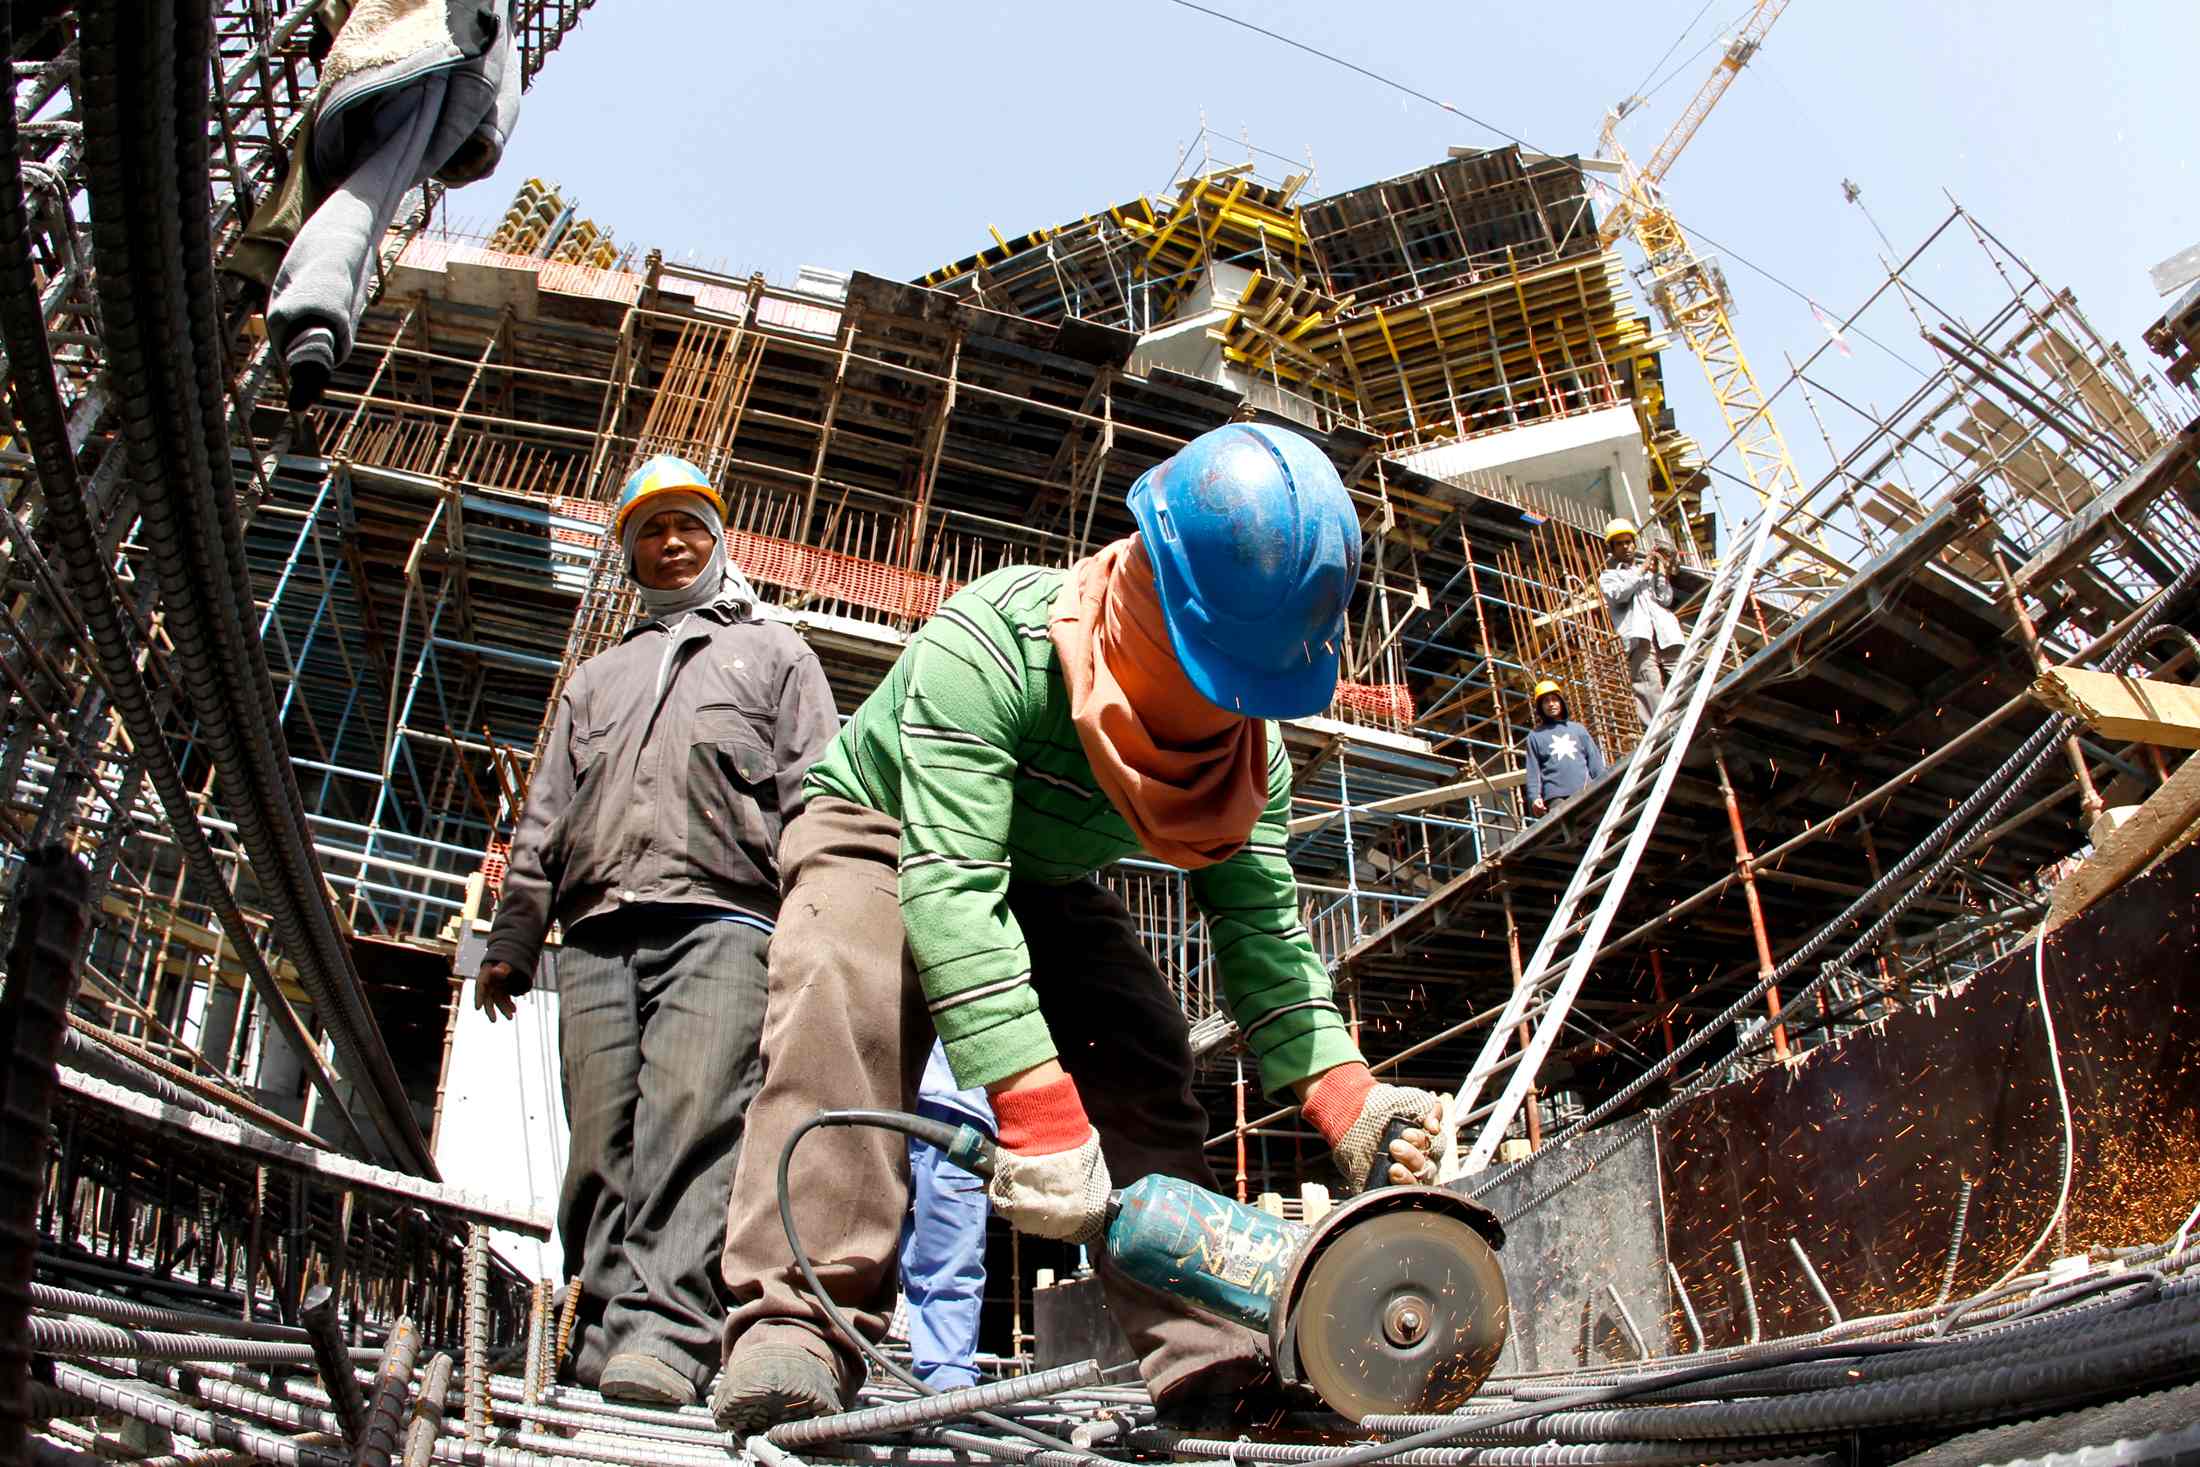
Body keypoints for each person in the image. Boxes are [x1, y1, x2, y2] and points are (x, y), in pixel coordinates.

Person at [709, 422, 1450, 1434]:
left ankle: (1211, 1369)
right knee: (847, 978)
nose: (1222, 712)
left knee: (1140, 1042)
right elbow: (948, 883)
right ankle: (793, 1325)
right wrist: (1034, 1104)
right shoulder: (991, 644)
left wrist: (1344, 1096)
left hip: (1037, 870)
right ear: (1147, 596)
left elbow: (1264, 940)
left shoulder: (1249, 763)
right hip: (886, 829)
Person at [475, 454, 839, 1407]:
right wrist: (516, 934)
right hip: (596, 929)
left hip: (722, 919)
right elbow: (546, 816)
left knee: (692, 1121)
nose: (670, 544)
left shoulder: (776, 654)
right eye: (651, 530)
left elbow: (819, 800)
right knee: (599, 1140)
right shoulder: (597, 680)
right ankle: (595, 1329)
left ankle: (669, 1333)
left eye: (688, 527)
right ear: (629, 548)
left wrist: (814, 920)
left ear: (719, 542)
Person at [897, 1041, 995, 1391]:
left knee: (952, 1254)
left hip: (960, 1115)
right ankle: (826, 1360)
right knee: (850, 1247)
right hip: (879, 1096)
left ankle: (947, 1378)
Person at [1597, 517, 1686, 725]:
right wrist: (1643, 569)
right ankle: (1662, 730)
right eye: (1619, 543)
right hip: (1640, 637)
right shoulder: (1610, 576)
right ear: (1612, 548)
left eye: (1628, 542)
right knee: (1649, 685)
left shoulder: (1647, 573)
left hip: (1665, 632)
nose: (1626, 547)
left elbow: (1665, 599)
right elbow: (1619, 594)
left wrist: (1661, 574)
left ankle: (1686, 720)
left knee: (1682, 676)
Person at [1522, 680, 1606, 820]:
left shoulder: (1578, 729)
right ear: (1540, 707)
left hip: (1586, 790)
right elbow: (1533, 771)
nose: (1551, 704)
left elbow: (1594, 761)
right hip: (1556, 798)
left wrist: (1604, 783)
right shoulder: (1535, 736)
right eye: (1546, 701)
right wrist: (1534, 797)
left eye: (1554, 699)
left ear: (1561, 702)